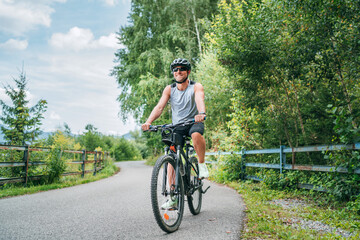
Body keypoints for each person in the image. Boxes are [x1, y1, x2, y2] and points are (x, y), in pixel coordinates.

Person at [142, 58, 209, 209]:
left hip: (193, 122)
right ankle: (173, 196)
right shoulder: (169, 89)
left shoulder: (196, 86)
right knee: (172, 155)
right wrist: (148, 122)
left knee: (196, 135)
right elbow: (160, 107)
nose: (178, 72)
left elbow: (199, 98)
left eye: (182, 69)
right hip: (177, 126)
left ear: (188, 72)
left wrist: (202, 112)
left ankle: (202, 163)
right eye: (175, 69)